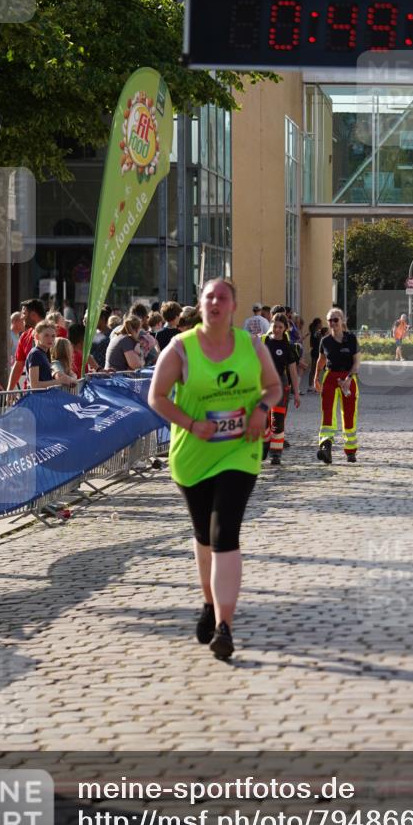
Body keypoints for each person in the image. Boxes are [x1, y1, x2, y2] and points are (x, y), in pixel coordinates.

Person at [149, 277, 281, 661]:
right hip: (193, 454)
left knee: (226, 532)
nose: (215, 303)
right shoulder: (181, 348)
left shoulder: (251, 345)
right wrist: (191, 424)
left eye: (222, 297)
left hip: (240, 451)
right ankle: (209, 603)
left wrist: (260, 410)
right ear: (201, 305)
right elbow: (156, 396)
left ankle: (225, 625)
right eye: (209, 297)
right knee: (204, 536)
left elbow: (273, 388)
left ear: (234, 306)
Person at [315, 307, 360, 464]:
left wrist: (348, 378)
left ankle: (350, 450)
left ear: (342, 321)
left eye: (335, 320)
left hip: (348, 378)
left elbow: (356, 363)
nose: (332, 323)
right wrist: (316, 377)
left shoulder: (351, 339)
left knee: (349, 413)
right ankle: (326, 447)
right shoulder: (325, 341)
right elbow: (321, 361)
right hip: (330, 377)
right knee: (327, 412)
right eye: (330, 320)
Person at [261, 312, 300, 465]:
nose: (276, 329)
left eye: (280, 327)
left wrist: (296, 393)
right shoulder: (263, 341)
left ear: (285, 328)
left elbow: (292, 371)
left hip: (280, 384)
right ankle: (264, 443)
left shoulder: (288, 347)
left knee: (277, 418)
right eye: (274, 326)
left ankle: (276, 453)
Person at [7, 298, 46, 390]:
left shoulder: (53, 335)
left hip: (50, 395)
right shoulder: (24, 336)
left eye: (24, 313)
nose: (21, 317)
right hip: (29, 393)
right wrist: (9, 390)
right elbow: (18, 365)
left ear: (33, 315)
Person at [306, 317, 323, 393]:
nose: (322, 325)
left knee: (315, 369)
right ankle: (312, 386)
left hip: (315, 351)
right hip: (316, 352)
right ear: (318, 324)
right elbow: (319, 343)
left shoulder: (314, 332)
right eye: (320, 323)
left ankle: (314, 386)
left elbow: (311, 344)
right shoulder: (317, 333)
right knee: (315, 369)